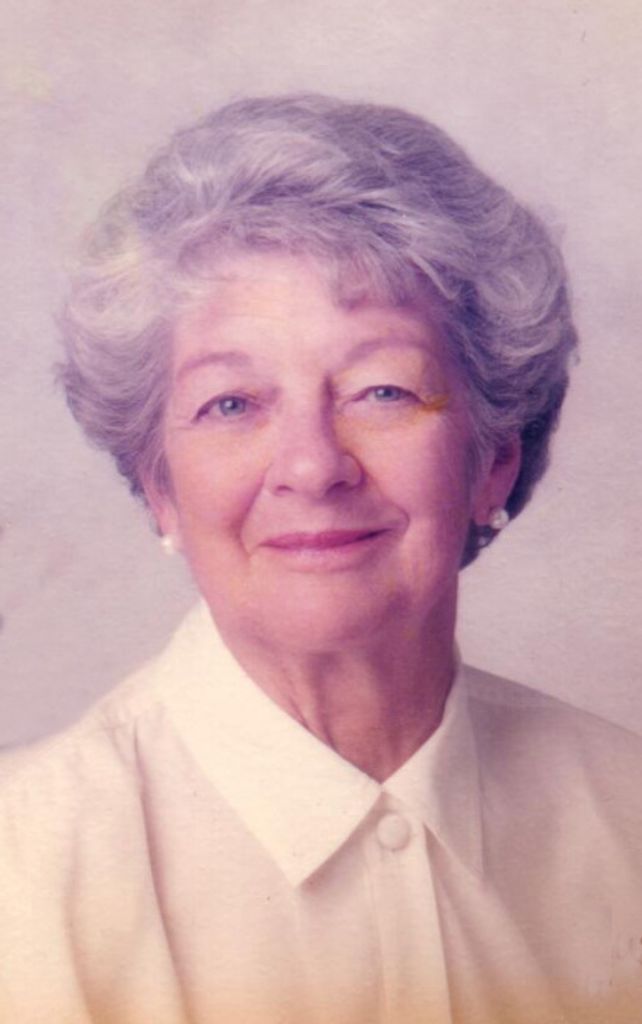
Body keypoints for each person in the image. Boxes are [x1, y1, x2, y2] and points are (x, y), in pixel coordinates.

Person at [1, 93, 641, 1024]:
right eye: (231, 404)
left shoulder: (627, 815)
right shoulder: (22, 872)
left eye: (383, 391)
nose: (312, 466)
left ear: (492, 459)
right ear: (160, 487)